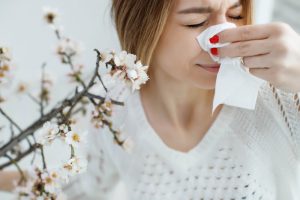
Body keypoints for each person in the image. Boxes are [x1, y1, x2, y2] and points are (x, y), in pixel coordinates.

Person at [1, 0, 300, 199]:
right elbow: (83, 186)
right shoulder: (114, 105)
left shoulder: (275, 92)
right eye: (195, 21)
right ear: (145, 27)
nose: (222, 39)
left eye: (235, 16)